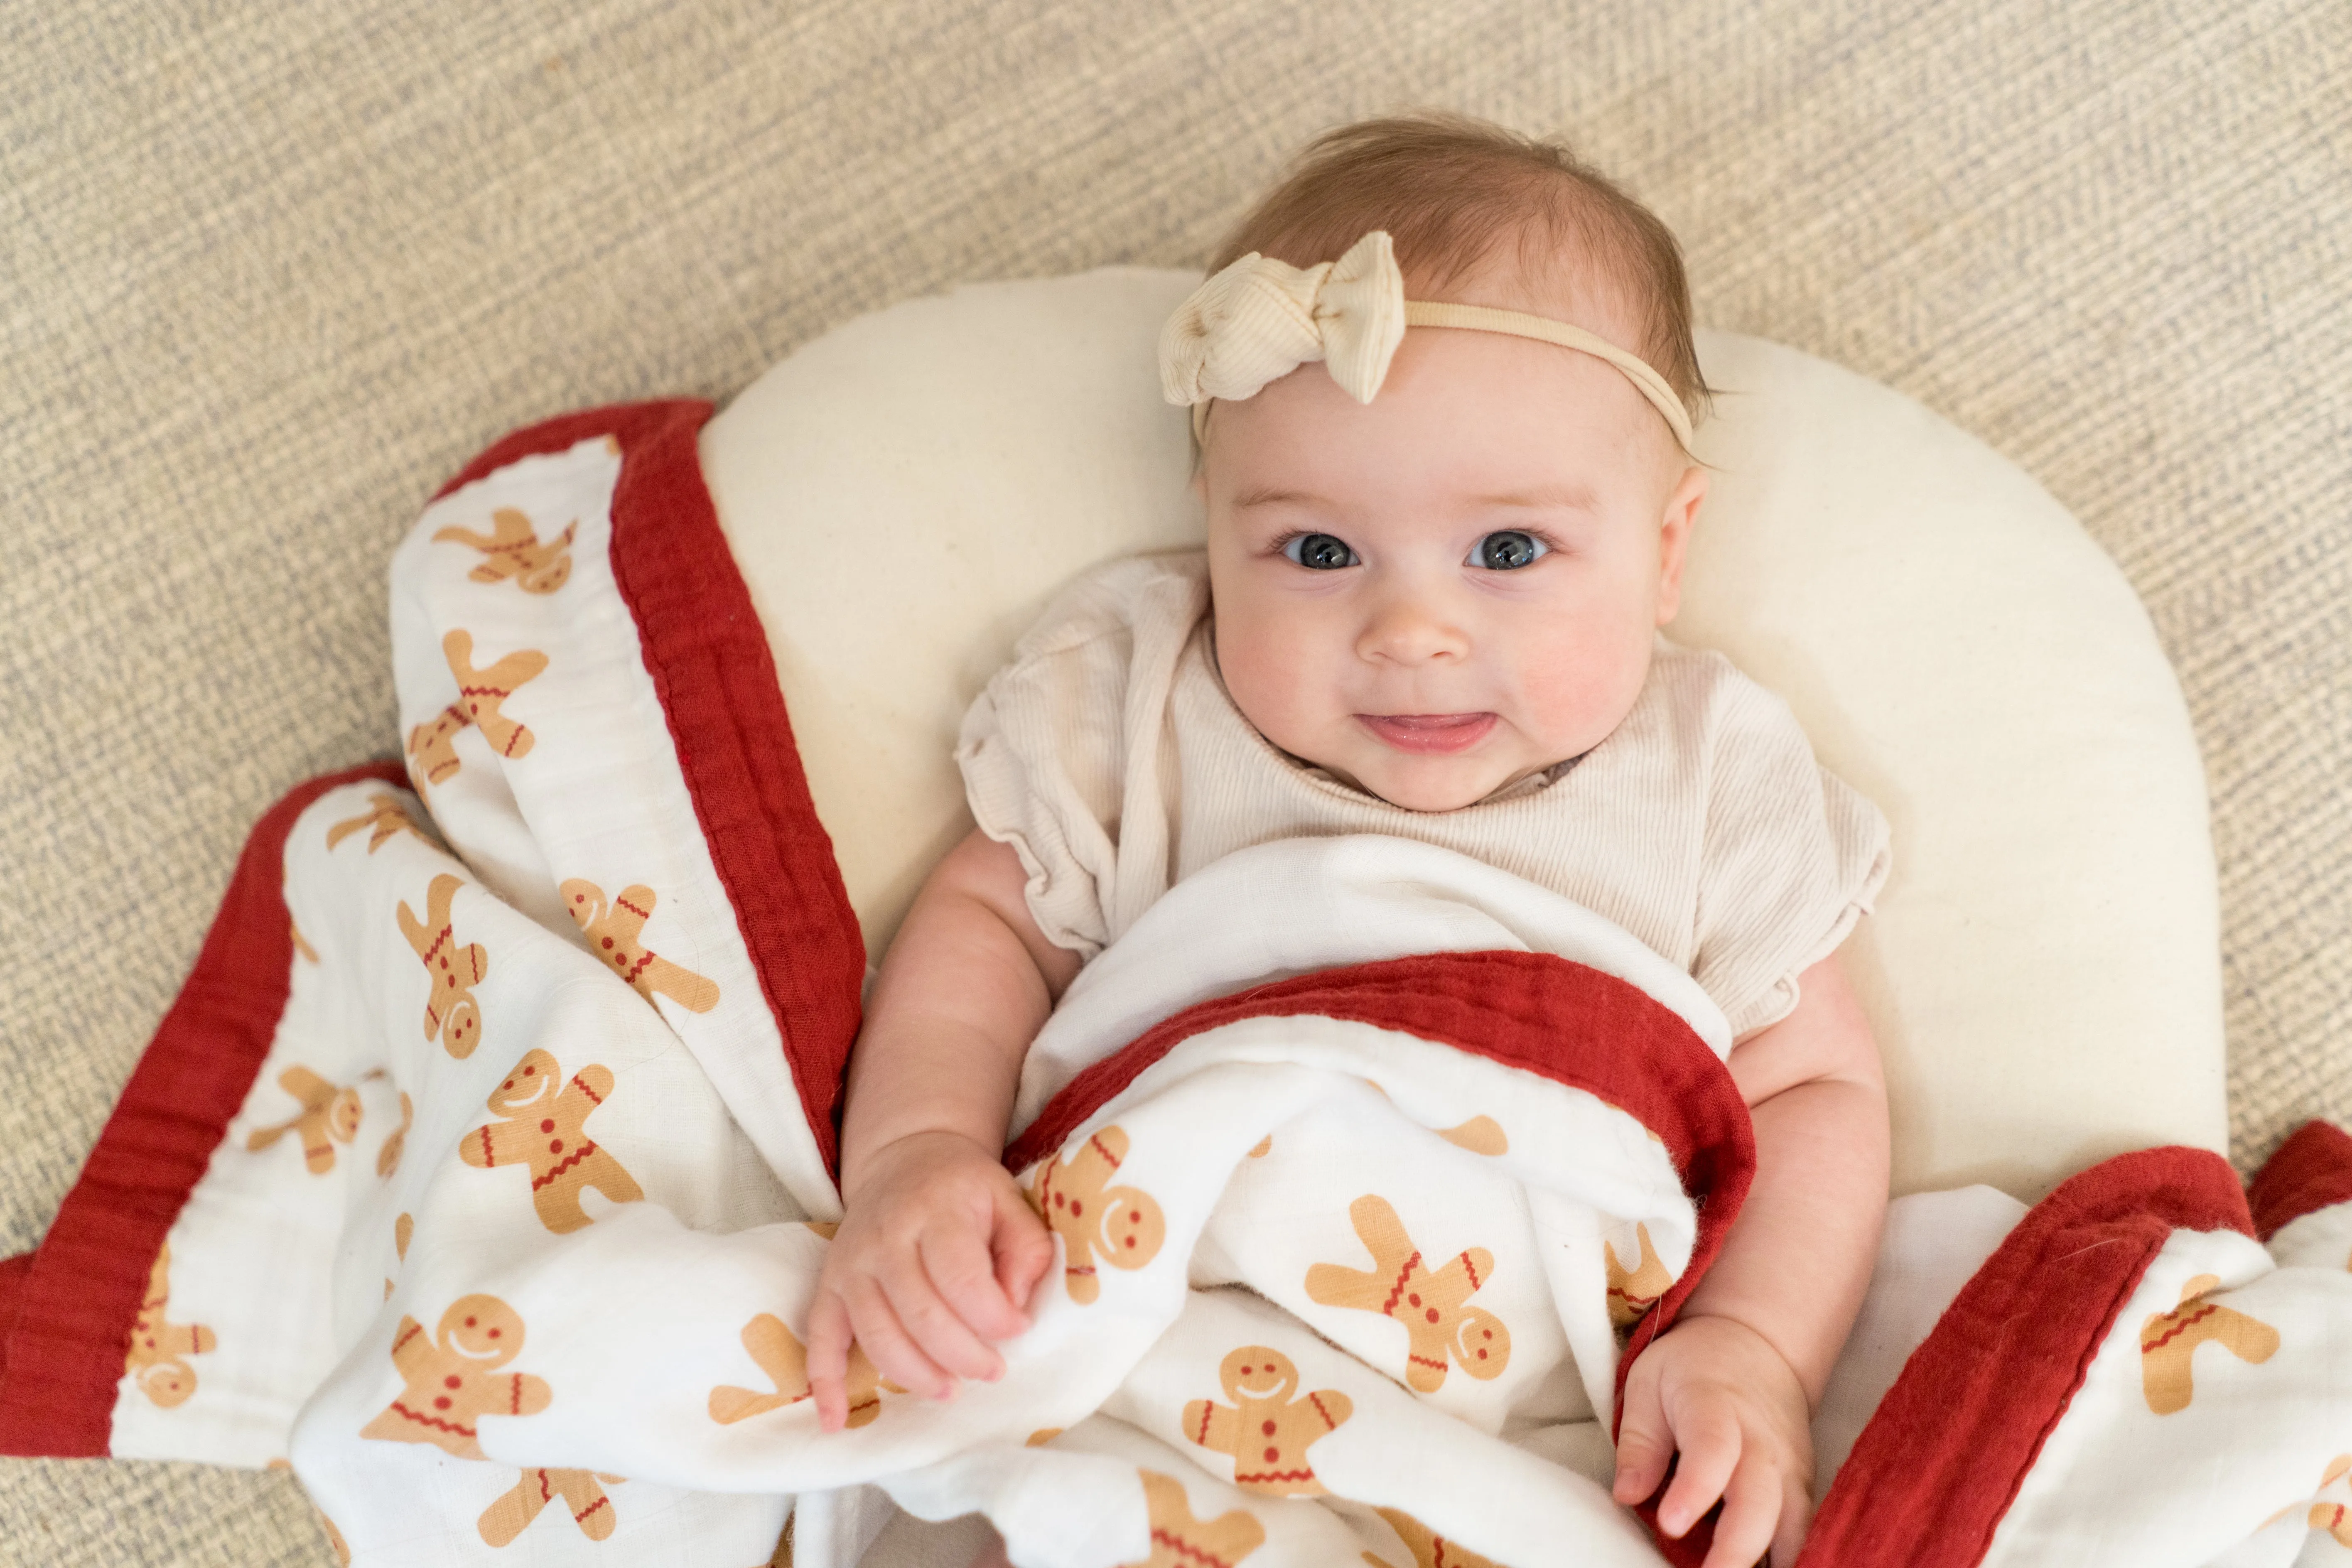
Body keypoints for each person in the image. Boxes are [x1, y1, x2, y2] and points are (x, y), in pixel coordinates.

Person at [805, 111, 1890, 1568]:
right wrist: (917, 1155)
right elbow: (987, 929)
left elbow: (1817, 1087)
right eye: (1317, 553)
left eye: (1508, 552)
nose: (1412, 632)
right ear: (1215, 527)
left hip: (1502, 1427)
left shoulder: (1709, 775)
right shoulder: (1140, 698)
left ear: (1667, 550)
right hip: (1139, 1338)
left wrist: (1755, 1346)